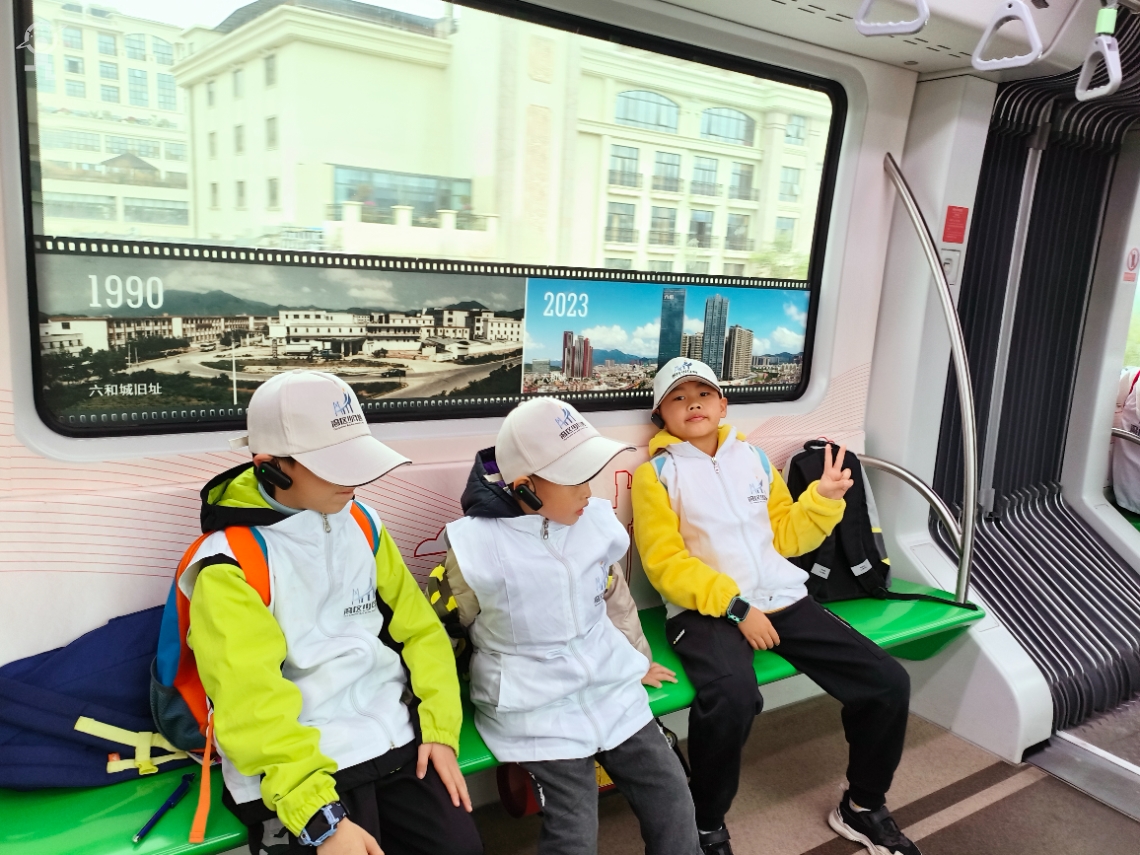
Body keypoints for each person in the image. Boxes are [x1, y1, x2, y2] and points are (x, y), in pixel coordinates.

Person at [185, 370, 481, 855]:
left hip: (394, 734)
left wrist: (440, 730)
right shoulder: (229, 565)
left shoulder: (363, 523)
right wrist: (319, 819)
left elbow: (420, 632)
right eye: (333, 465)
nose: (354, 479)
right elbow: (250, 702)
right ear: (271, 468)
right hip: (299, 767)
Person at [631, 358, 919, 855]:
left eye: (704, 393)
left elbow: (786, 536)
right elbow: (665, 564)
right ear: (661, 416)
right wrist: (736, 608)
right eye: (678, 397)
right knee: (733, 696)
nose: (693, 403)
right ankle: (705, 823)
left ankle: (862, 805)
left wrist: (823, 499)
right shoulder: (655, 475)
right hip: (705, 610)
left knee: (887, 682)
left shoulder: (755, 459)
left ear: (723, 405)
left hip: (781, 597)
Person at [436, 397, 699, 855]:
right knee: (574, 829)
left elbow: (614, 597)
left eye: (589, 477)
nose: (587, 492)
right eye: (574, 480)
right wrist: (440, 713)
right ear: (527, 488)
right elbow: (442, 632)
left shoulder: (594, 522)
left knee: (672, 792)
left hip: (608, 685)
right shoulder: (475, 549)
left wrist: (638, 660)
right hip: (533, 705)